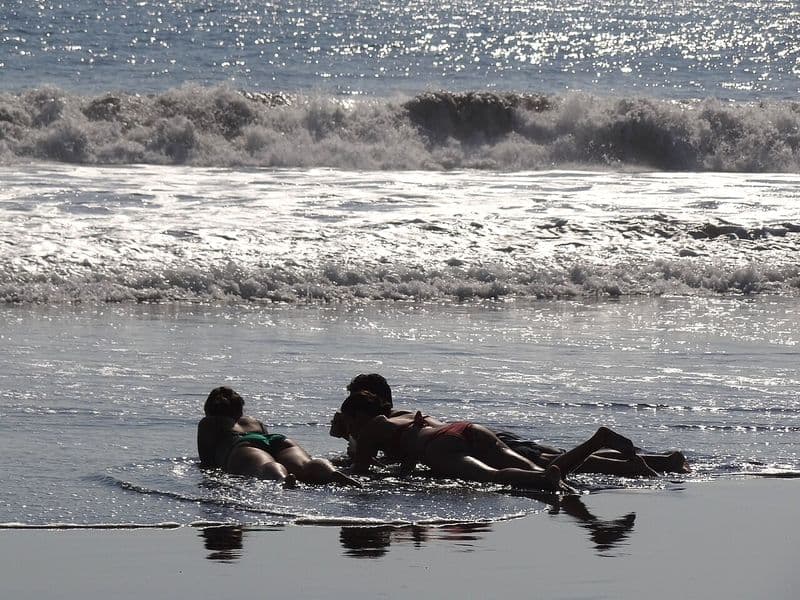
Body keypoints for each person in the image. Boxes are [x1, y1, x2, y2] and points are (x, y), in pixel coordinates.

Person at [330, 373, 690, 476]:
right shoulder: (404, 414)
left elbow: (370, 458)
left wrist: (349, 439)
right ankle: (659, 461)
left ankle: (648, 464)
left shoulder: (381, 421)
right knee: (551, 459)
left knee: (550, 463)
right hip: (472, 431)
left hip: (458, 440)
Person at [339, 389, 661, 493]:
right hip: (466, 428)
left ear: (355, 417)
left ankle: (548, 480)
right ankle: (595, 441)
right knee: (539, 466)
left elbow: (361, 471)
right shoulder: (403, 414)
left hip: (438, 446)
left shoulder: (368, 431)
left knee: (491, 476)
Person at [198, 386, 360, 487]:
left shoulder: (209, 422)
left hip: (243, 446)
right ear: (239, 409)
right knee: (306, 465)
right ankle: (330, 473)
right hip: (277, 440)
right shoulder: (255, 421)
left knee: (266, 466)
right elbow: (270, 448)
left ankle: (283, 479)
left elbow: (207, 462)